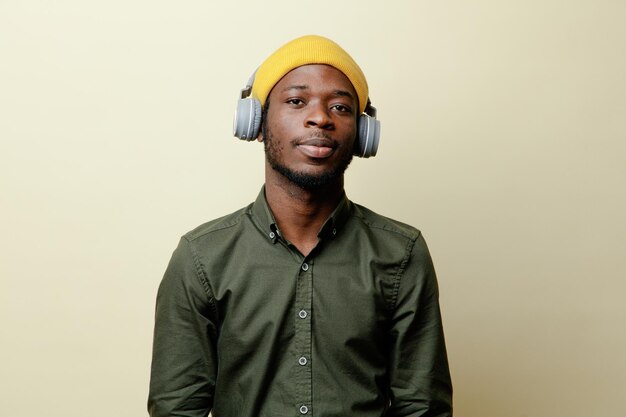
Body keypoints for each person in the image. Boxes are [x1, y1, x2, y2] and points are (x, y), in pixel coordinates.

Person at [148, 35, 453, 417]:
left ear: (361, 134)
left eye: (340, 107)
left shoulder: (402, 253)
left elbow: (422, 408)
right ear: (256, 123)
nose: (321, 117)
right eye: (296, 101)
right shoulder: (201, 258)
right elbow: (177, 408)